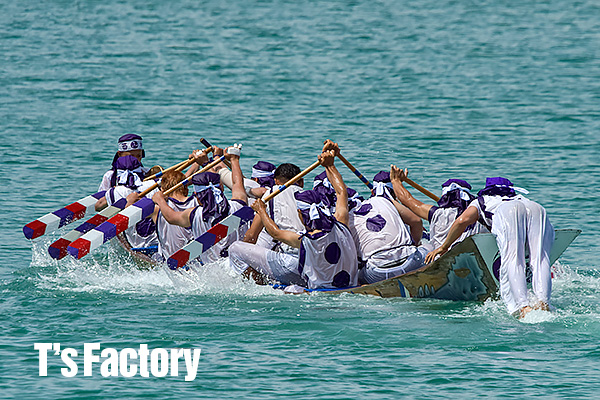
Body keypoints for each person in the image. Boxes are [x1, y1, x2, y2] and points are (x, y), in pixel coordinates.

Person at [228, 142, 358, 289]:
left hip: (296, 268)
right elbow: (341, 193)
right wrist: (330, 165)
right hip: (332, 272)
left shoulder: (306, 240)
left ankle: (259, 285)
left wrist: (261, 211)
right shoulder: (340, 223)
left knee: (235, 248)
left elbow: (273, 234)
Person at [425, 177, 555, 319]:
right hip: (537, 208)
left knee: (514, 259)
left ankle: (523, 306)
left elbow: (462, 221)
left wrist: (444, 247)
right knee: (541, 259)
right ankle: (543, 303)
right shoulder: (520, 198)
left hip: (509, 212)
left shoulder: (482, 201)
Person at [152, 145, 249, 264]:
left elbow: (171, 217)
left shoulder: (194, 214)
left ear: (198, 196)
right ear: (221, 188)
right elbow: (237, 182)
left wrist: (160, 200)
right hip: (241, 267)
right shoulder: (238, 204)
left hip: (211, 271)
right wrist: (234, 159)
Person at [348, 170, 426, 285]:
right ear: (395, 192)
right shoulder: (388, 201)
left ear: (372, 191)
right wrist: (416, 244)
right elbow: (417, 221)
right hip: (409, 263)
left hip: (377, 273)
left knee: (358, 273)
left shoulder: (348, 217)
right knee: (427, 248)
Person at [390, 166, 488, 252]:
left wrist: (396, 181)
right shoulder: (481, 217)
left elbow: (407, 200)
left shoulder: (437, 214)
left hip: (440, 258)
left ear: (444, 196)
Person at [243, 163, 305, 254]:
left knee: (235, 248)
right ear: (301, 182)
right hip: (309, 251)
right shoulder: (309, 196)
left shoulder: (271, 193)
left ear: (276, 181)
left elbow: (251, 236)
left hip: (288, 254)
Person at [103, 155, 159, 250]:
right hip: (158, 240)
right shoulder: (154, 184)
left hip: (134, 244)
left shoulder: (113, 192)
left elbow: (99, 206)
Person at [152, 169, 199, 263]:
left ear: (162, 190)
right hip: (196, 262)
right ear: (186, 187)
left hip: (171, 265)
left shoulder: (157, 209)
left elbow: (128, 207)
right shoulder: (198, 202)